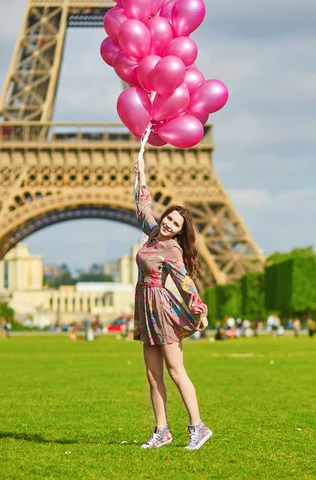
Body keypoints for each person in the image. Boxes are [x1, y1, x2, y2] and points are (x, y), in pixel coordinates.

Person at [134, 160, 212, 451]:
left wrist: (198, 308)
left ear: (180, 231)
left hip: (163, 312)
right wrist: (142, 173)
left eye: (175, 224)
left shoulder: (172, 248)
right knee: (153, 377)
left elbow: (184, 280)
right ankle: (162, 430)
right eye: (168, 218)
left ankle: (198, 427)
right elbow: (144, 209)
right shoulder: (153, 234)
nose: (168, 224)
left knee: (176, 372)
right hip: (145, 308)